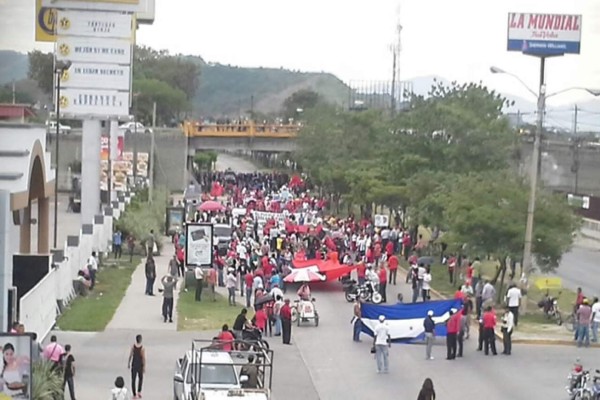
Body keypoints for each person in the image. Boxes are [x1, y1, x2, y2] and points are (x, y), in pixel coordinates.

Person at [128, 334, 145, 399]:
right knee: (140, 378)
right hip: (140, 365)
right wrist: (144, 366)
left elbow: (130, 355)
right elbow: (143, 358)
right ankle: (139, 392)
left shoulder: (133, 346)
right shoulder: (142, 348)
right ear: (140, 340)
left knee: (133, 379)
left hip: (134, 364)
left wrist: (128, 363)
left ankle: (134, 394)